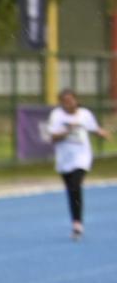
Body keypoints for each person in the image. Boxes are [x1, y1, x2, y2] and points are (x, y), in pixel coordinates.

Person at [45, 88, 107, 240]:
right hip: (64, 159)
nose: (69, 104)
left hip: (82, 157)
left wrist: (102, 133)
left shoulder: (85, 114)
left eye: (71, 100)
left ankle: (78, 224)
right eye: (65, 101)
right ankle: (76, 221)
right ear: (61, 103)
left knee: (75, 185)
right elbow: (52, 138)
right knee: (71, 191)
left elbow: (94, 128)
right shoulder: (57, 116)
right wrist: (67, 131)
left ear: (76, 100)